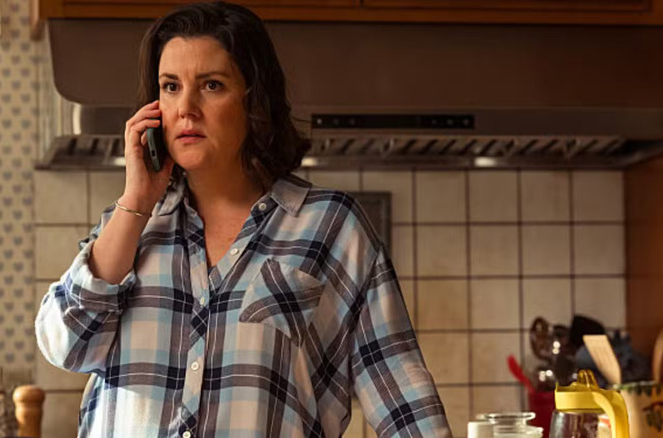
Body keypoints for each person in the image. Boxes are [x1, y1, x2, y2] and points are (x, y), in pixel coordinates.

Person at [35, 2, 451, 437]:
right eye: (170, 86)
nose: (186, 108)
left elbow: (406, 408)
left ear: (254, 99)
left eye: (212, 85)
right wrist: (136, 200)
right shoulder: (131, 225)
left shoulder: (332, 229)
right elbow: (66, 345)